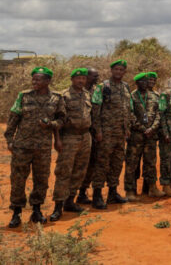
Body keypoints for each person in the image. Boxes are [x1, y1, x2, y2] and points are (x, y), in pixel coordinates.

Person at [4, 67, 65, 227]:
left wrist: (51, 124)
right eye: (33, 79)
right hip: (22, 146)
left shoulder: (57, 98)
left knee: (41, 180)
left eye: (38, 80)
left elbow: (61, 120)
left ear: (47, 81)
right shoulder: (23, 96)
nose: (34, 82)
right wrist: (9, 140)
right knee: (18, 179)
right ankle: (16, 212)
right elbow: (13, 118)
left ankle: (36, 210)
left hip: (43, 148)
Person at [49, 68, 93, 221]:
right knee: (63, 172)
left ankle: (70, 201)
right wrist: (58, 139)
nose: (81, 81)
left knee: (80, 171)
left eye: (83, 78)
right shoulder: (64, 96)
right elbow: (58, 119)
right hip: (69, 137)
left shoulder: (87, 94)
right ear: (72, 79)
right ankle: (57, 207)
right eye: (78, 78)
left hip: (85, 136)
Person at [91, 59, 133, 209]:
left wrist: (127, 128)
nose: (118, 72)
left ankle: (113, 193)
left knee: (116, 163)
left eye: (121, 70)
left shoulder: (126, 87)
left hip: (120, 133)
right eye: (116, 69)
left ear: (124, 72)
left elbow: (128, 109)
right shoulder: (102, 87)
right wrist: (98, 131)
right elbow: (95, 110)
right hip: (106, 133)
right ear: (111, 71)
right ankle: (97, 195)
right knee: (102, 163)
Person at [124, 72, 163, 201]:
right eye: (142, 82)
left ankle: (152, 188)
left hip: (151, 135)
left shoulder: (154, 96)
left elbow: (159, 113)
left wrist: (152, 128)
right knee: (132, 163)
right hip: (136, 136)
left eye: (147, 81)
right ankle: (130, 190)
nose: (145, 84)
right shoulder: (131, 97)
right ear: (137, 83)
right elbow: (130, 115)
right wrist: (143, 128)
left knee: (151, 162)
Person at [76, 68, 100, 205]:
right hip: (78, 134)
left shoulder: (98, 90)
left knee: (91, 165)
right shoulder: (77, 91)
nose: (96, 78)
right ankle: (69, 195)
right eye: (93, 76)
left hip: (93, 133)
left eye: (97, 76)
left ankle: (82, 192)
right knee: (78, 165)